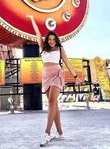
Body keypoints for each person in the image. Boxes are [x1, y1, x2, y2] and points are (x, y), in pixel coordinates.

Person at [26, 15, 82, 147]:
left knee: (51, 101)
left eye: (53, 39)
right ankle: (60, 133)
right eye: (49, 39)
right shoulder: (43, 48)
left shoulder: (60, 49)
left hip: (57, 74)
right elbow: (37, 33)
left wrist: (75, 76)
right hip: (46, 75)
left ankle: (47, 133)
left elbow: (67, 62)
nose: (51, 41)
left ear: (56, 39)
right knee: (54, 105)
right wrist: (33, 19)